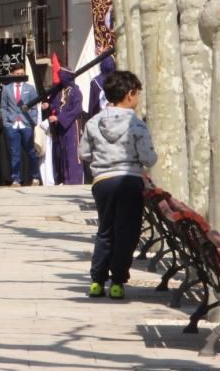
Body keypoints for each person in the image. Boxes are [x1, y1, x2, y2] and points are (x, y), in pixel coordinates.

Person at [80, 70, 157, 300]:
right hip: (129, 180)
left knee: (105, 230)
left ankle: (96, 280)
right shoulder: (137, 124)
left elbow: (84, 153)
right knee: (127, 232)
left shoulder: (93, 122)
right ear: (130, 94)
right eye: (137, 94)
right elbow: (148, 158)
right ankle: (117, 281)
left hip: (102, 182)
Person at [1, 64, 40, 187]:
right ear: (13, 74)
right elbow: (4, 107)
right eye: (17, 74)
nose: (20, 76)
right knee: (15, 153)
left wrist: (32, 121)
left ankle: (35, 176)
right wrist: (6, 122)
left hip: (26, 123)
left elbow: (34, 106)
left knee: (31, 151)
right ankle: (16, 178)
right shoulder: (6, 89)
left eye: (22, 74)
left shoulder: (30, 88)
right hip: (12, 124)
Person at [47, 67, 85, 185]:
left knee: (72, 150)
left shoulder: (76, 91)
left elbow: (77, 109)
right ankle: (65, 177)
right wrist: (48, 105)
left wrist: (60, 118)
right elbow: (55, 104)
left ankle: (74, 178)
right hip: (61, 126)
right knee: (62, 150)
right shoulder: (60, 91)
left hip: (72, 124)